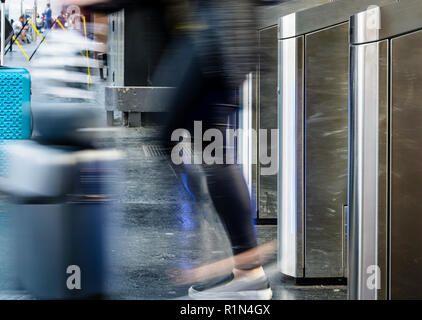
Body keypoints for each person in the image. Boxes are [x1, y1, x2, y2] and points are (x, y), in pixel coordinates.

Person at [64, 0, 272, 300]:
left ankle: (236, 260)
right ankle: (245, 268)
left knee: (176, 141)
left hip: (212, 45)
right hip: (221, 44)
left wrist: (94, 3)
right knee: (207, 151)